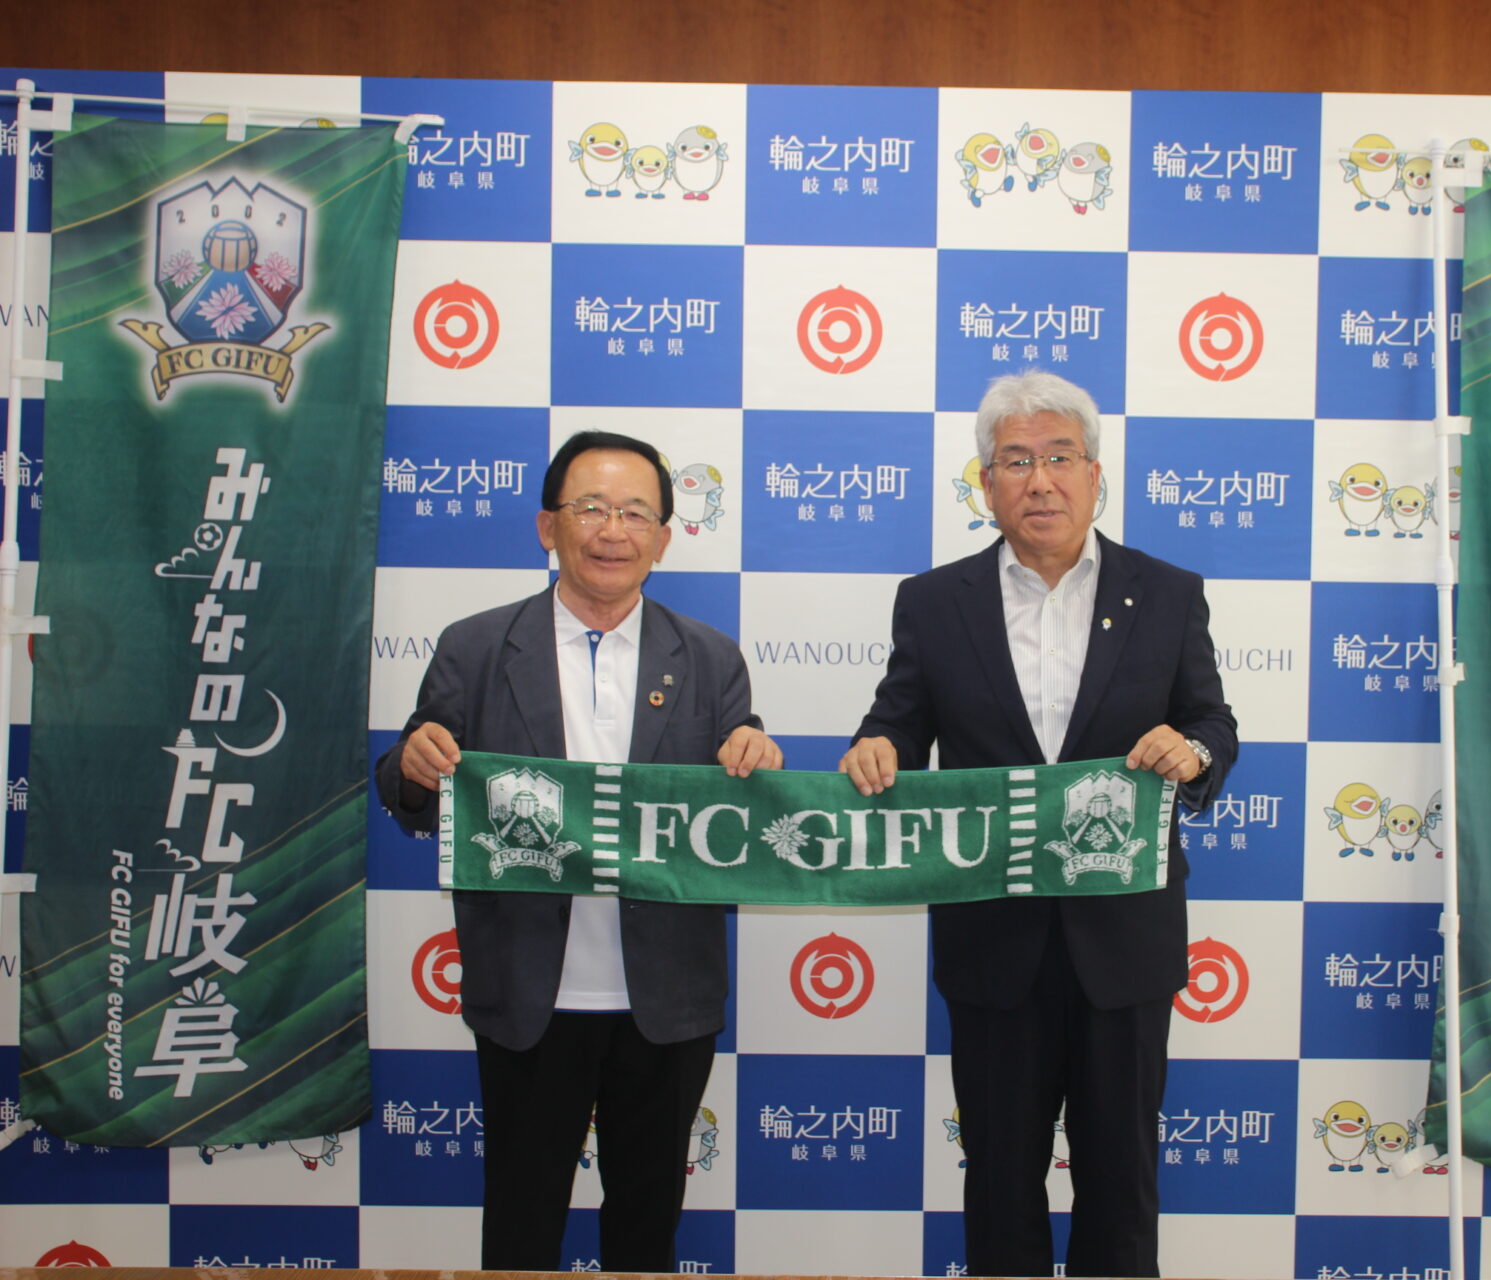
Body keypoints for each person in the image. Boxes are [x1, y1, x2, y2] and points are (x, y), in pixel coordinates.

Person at [841, 371, 1236, 1277]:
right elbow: (897, 721)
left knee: (1122, 1182)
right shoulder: (934, 601)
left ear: (1096, 475)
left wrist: (1194, 751)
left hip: (1124, 936)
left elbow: (1211, 719)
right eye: (1016, 461)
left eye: (1060, 457)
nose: (1040, 481)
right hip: (994, 937)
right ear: (987, 484)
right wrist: (877, 748)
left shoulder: (1168, 592)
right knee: (1000, 1180)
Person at [375, 430, 781, 1272]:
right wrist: (412, 767)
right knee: (520, 1227)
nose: (611, 530)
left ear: (663, 538)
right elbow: (413, 787)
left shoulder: (709, 658)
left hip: (665, 996)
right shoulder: (476, 648)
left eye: (635, 513)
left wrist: (755, 760)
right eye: (590, 508)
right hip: (528, 991)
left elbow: (740, 811)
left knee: (646, 1227)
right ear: (546, 526)